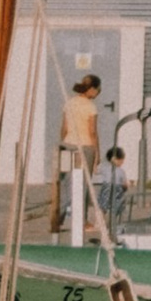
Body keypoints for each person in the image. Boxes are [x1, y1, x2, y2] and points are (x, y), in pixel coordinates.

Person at [54, 73, 104, 229]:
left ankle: (58, 218)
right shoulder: (91, 106)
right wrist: (97, 154)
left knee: (65, 184)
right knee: (83, 185)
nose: (98, 93)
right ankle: (81, 221)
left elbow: (64, 127)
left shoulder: (69, 103)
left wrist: (64, 143)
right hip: (85, 147)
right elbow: (93, 132)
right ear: (92, 89)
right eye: (97, 89)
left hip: (68, 144)